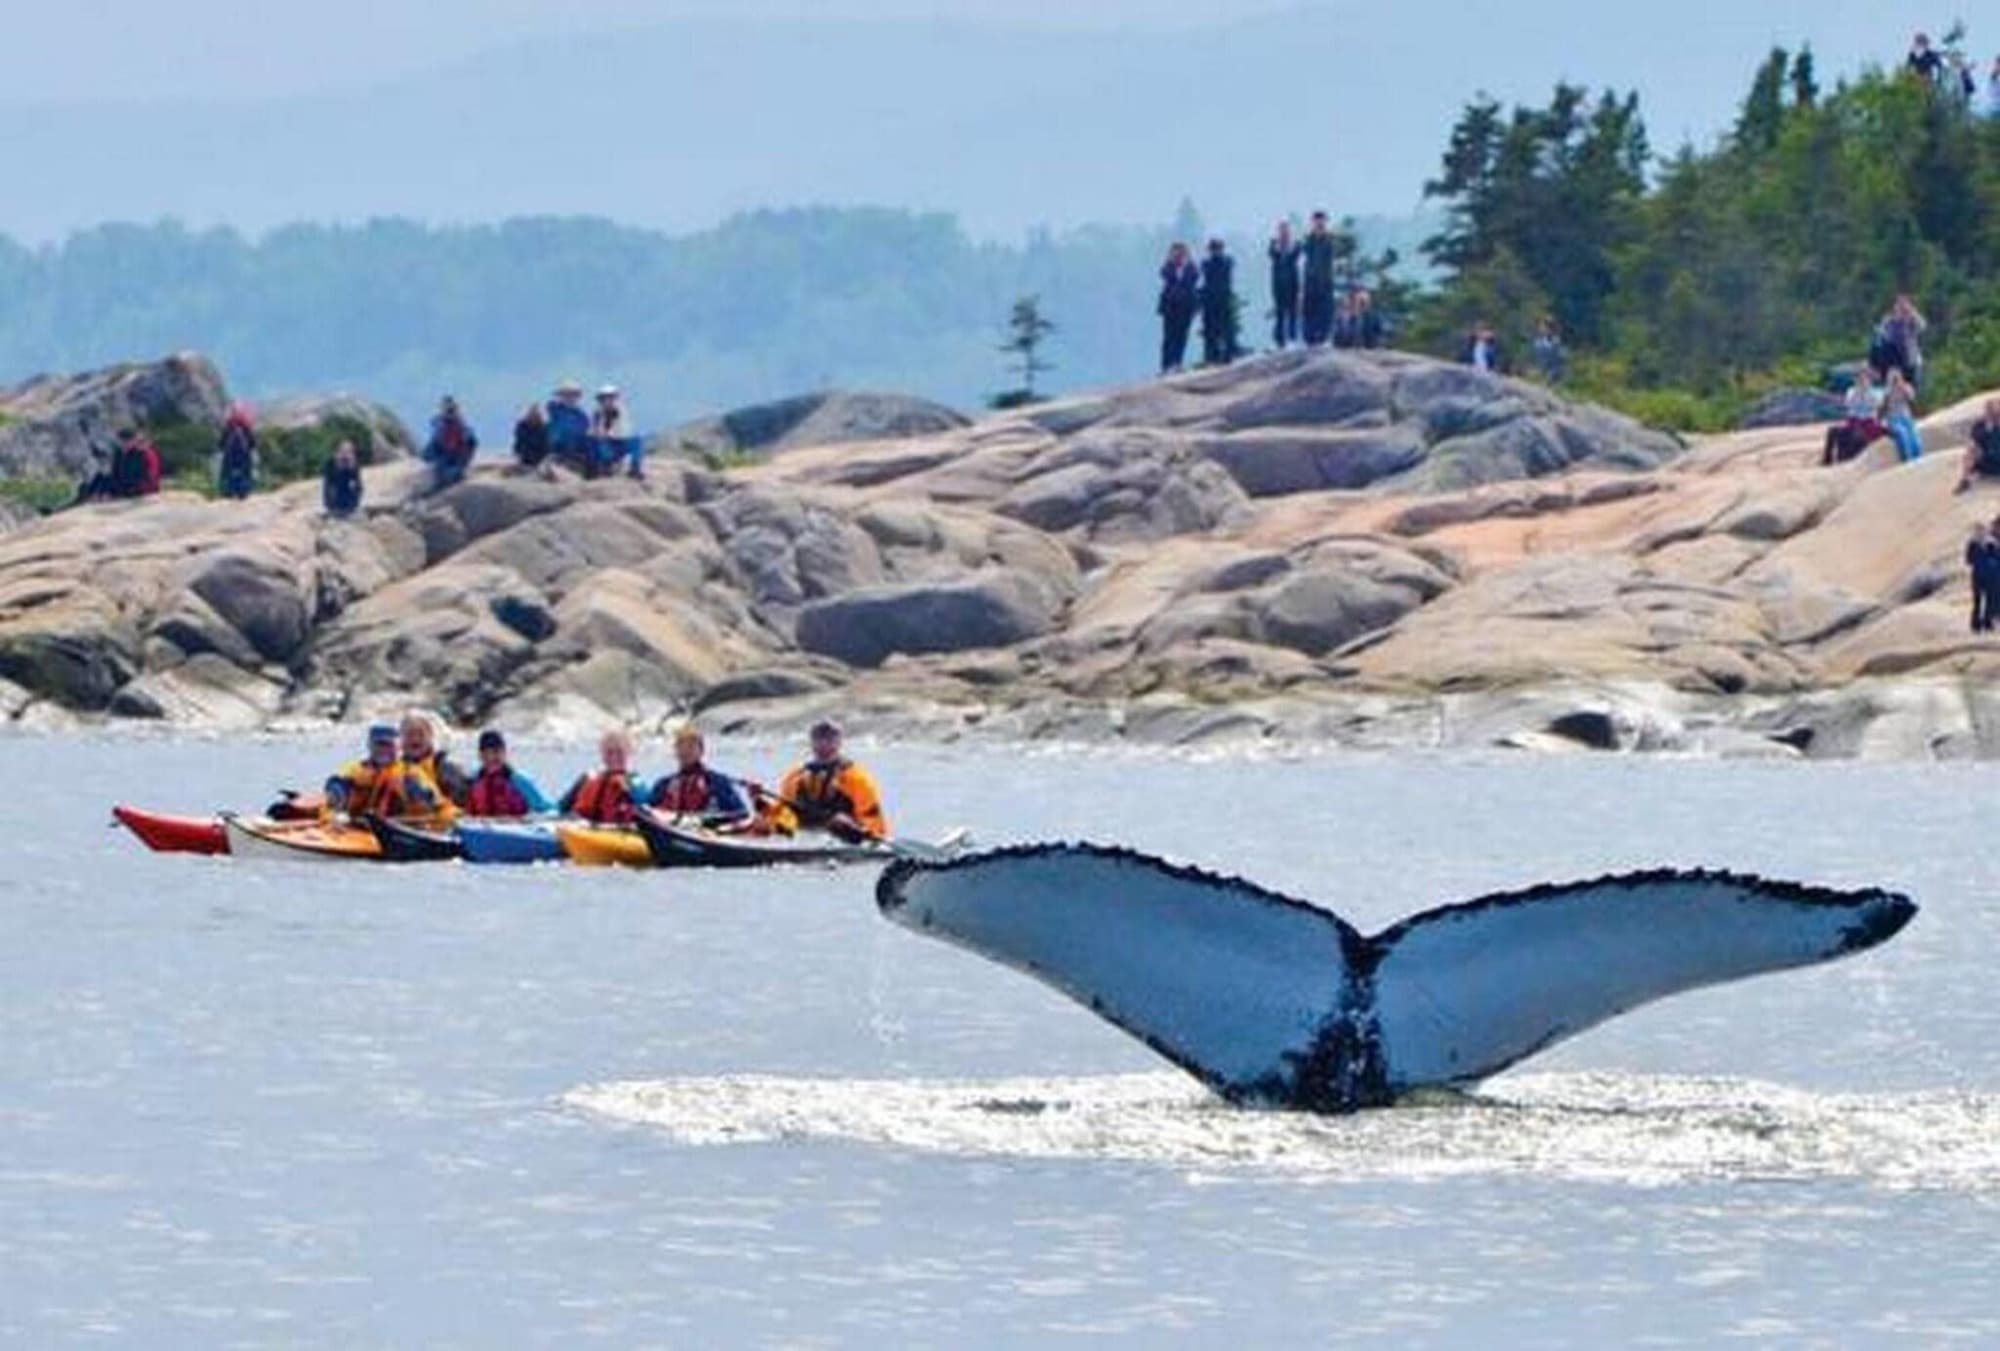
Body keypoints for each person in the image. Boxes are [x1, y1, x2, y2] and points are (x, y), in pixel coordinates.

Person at [753, 719, 888, 841]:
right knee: (760, 822)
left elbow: (874, 822)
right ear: (811, 742)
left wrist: (856, 827)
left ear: (839, 742)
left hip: (843, 836)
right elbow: (783, 812)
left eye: (829, 739)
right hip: (803, 835)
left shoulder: (856, 777)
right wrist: (758, 801)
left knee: (838, 823)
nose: (823, 744)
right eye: (818, 739)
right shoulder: (795, 776)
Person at [323, 723, 442, 820]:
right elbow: (338, 784)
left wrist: (421, 795)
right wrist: (336, 793)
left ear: (398, 747)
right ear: (370, 746)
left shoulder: (410, 772)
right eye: (379, 745)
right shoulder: (356, 770)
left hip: (398, 830)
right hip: (357, 828)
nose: (383, 750)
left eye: (388, 745)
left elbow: (433, 798)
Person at [646, 723, 751, 824]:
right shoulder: (663, 785)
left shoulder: (717, 782)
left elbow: (741, 815)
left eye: (691, 746)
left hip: (706, 834)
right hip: (671, 830)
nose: (685, 751)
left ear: (701, 750)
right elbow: (647, 812)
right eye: (681, 746)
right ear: (676, 751)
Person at [557, 729, 647, 824]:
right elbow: (560, 808)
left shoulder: (634, 781)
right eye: (609, 752)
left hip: (619, 832)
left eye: (620, 752)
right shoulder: (588, 778)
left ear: (629, 753)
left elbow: (645, 806)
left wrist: (629, 789)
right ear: (602, 754)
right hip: (583, 830)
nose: (614, 757)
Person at [464, 729, 552, 817]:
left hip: (514, 828)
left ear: (504, 753)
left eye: (497, 752)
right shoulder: (473, 782)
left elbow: (546, 808)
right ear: (481, 755)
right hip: (479, 828)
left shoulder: (519, 781)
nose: (493, 757)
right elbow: (464, 813)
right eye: (488, 753)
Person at [399, 710, 469, 809]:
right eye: (410, 734)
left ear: (430, 736)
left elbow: (460, 801)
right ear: (402, 738)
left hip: (440, 821)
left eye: (421, 734)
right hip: (402, 820)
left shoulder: (444, 767)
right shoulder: (395, 769)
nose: (415, 740)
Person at [1155, 242, 1200, 374]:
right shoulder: (1168, 267)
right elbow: (1163, 274)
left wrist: (1196, 307)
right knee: (1168, 336)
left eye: (1181, 252)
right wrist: (1172, 264)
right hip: (1170, 308)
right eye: (1176, 252)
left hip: (1186, 307)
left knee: (1182, 335)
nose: (1179, 255)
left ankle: (1177, 363)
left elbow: (1194, 285)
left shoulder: (1191, 268)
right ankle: (1166, 365)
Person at [1824, 368, 1884, 466]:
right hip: (1854, 420)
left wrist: (1865, 394)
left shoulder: (1875, 392)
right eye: (1859, 379)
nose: (1861, 381)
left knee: (1859, 433)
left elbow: (1876, 405)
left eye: (1864, 379)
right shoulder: (1851, 391)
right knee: (1833, 431)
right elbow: (1848, 404)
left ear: (1869, 380)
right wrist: (1858, 394)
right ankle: (1827, 459)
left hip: (1868, 421)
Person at [1871, 295, 1927, 387]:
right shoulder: (1889, 321)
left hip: (1911, 360)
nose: (1902, 309)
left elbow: (1922, 326)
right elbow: (1883, 335)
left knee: (1913, 385)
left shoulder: (1912, 321)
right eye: (1899, 305)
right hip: (1895, 360)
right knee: (1895, 384)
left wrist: (1912, 313)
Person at [425, 396, 477, 492]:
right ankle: (445, 479)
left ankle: (449, 478)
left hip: (455, 457)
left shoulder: (460, 425)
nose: (449, 413)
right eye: (448, 410)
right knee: (440, 468)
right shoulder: (441, 423)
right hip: (445, 456)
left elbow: (471, 443)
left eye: (451, 410)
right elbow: (434, 445)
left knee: (449, 472)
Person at [1300, 211, 1338, 347]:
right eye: (1317, 222)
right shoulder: (1308, 241)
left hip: (1325, 281)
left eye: (1322, 222)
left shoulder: (1329, 241)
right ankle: (1309, 340)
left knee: (1325, 312)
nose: (1319, 224)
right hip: (1310, 282)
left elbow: (1330, 262)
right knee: (1309, 312)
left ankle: (1323, 338)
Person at [1198, 238, 1237, 367]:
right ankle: (1213, 356)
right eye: (1214, 249)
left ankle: (1225, 355)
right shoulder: (1209, 263)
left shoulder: (1225, 262)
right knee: (1211, 330)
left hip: (1220, 299)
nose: (1216, 251)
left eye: (1217, 249)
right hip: (1212, 300)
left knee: (1225, 329)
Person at [590, 385, 642, 480]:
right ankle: (604, 468)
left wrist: (607, 433)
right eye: (605, 397)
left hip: (619, 442)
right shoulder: (597, 413)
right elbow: (594, 431)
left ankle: (635, 469)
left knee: (636, 441)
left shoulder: (621, 411)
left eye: (611, 397)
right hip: (606, 444)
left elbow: (624, 432)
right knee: (596, 443)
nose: (608, 400)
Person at [1267, 221, 1301, 349]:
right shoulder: (1273, 244)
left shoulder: (1295, 244)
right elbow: (1272, 255)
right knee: (1280, 312)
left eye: (1286, 230)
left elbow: (1296, 256)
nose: (1284, 233)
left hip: (1292, 283)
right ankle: (1279, 340)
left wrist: (1289, 246)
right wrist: (1278, 246)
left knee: (1292, 312)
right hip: (1278, 284)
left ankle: (1293, 338)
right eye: (1281, 230)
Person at [546, 380, 592, 472]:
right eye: (566, 394)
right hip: (555, 452)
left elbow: (586, 434)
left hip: (576, 453)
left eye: (573, 395)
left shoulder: (582, 416)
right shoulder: (554, 410)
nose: (570, 398)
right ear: (561, 396)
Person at [1955, 399, 2000, 492]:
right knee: (1971, 450)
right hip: (1986, 461)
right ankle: (1965, 481)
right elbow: (1973, 440)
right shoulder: (1980, 425)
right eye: (1992, 414)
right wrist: (1988, 429)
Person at [216, 403, 257, 500]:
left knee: (226, 471)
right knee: (246, 470)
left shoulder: (229, 425)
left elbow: (222, 442)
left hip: (230, 454)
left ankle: (227, 491)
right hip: (244, 454)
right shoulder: (245, 425)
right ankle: (244, 491)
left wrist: (220, 447)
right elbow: (252, 442)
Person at [1881, 369, 1923, 464]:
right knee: (1902, 434)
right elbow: (1884, 406)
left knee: (1914, 436)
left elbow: (1912, 402)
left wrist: (1904, 390)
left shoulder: (1906, 388)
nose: (1896, 382)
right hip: (1893, 417)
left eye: (1897, 378)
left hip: (1906, 416)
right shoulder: (1887, 391)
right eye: (1893, 379)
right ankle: (1906, 458)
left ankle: (1917, 457)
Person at [1967, 519, 2000, 633]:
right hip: (1979, 577)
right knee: (1978, 601)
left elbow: (1996, 557)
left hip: (1993, 577)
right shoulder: (1975, 544)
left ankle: (1987, 623)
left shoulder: (1992, 543)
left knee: (1991, 601)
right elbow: (1969, 560)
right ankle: (1976, 624)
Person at [322, 440, 363, 517]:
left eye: (349, 451)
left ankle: (349, 509)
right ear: (338, 451)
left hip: (350, 504)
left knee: (354, 486)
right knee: (332, 489)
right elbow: (328, 486)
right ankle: (337, 510)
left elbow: (358, 487)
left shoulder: (354, 464)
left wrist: (351, 468)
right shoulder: (330, 463)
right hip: (334, 502)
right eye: (343, 451)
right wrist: (339, 465)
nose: (345, 454)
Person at [512, 402, 553, 475]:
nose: (534, 415)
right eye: (532, 412)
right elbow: (520, 441)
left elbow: (546, 445)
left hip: (539, 458)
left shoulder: (543, 427)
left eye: (536, 413)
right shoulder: (522, 426)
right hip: (524, 456)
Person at [1532, 317, 1566, 383]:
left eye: (1543, 326)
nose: (1540, 328)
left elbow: (1558, 358)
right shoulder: (1539, 340)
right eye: (1540, 326)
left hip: (1550, 370)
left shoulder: (1555, 342)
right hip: (1540, 369)